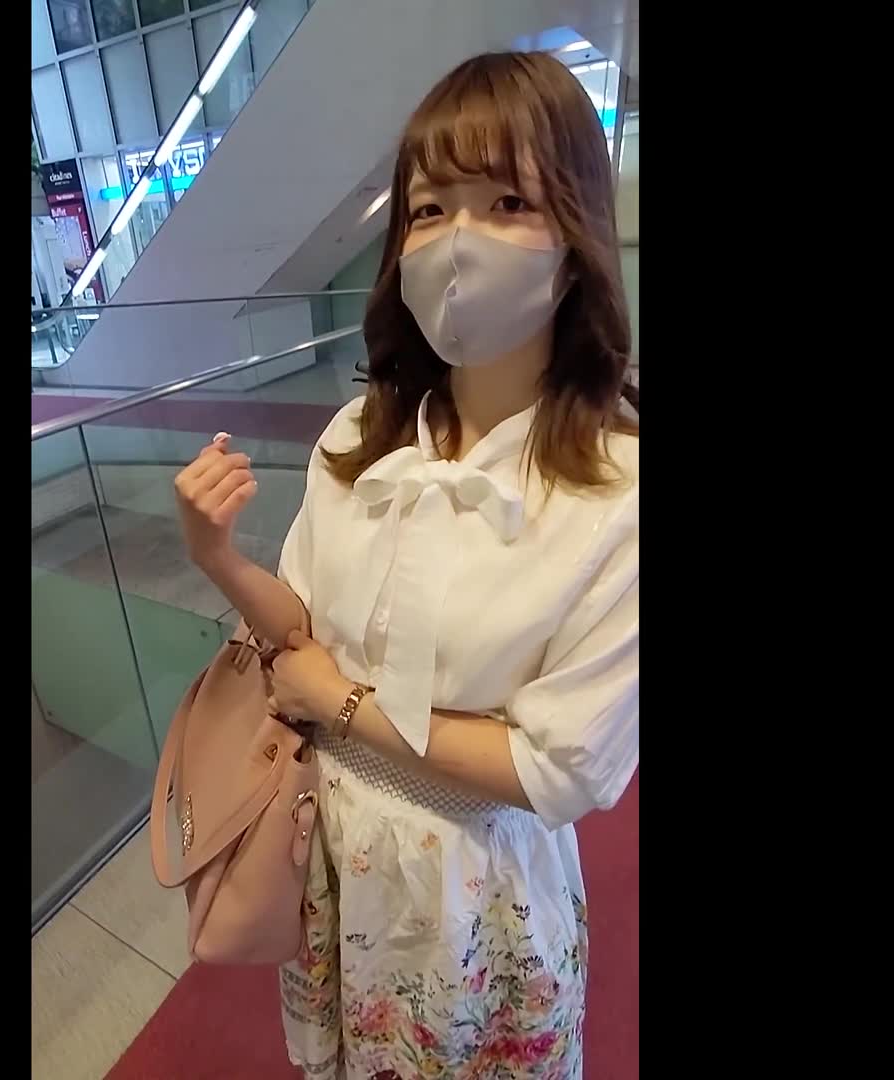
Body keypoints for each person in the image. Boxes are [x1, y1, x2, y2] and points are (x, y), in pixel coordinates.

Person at [172, 51, 638, 1080]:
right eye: (430, 209)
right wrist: (216, 556)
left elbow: (561, 770)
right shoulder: (359, 435)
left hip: (476, 884)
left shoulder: (616, 493)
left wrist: (340, 705)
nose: (459, 240)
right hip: (334, 849)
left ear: (575, 243)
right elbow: (301, 630)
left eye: (507, 200)